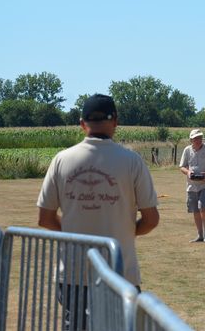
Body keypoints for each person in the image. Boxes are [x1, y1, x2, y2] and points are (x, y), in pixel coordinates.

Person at [37, 94, 159, 325]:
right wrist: (122, 232)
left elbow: (44, 218)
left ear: (82, 123)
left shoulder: (61, 160)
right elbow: (151, 219)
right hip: (120, 271)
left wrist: (76, 232)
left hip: (74, 271)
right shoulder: (132, 161)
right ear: (116, 122)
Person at [179, 129, 205, 242]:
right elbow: (182, 166)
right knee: (195, 210)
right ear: (191, 139)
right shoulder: (187, 150)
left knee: (202, 206)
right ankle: (200, 235)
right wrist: (188, 172)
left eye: (200, 137)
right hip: (191, 185)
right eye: (196, 138)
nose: (198, 140)